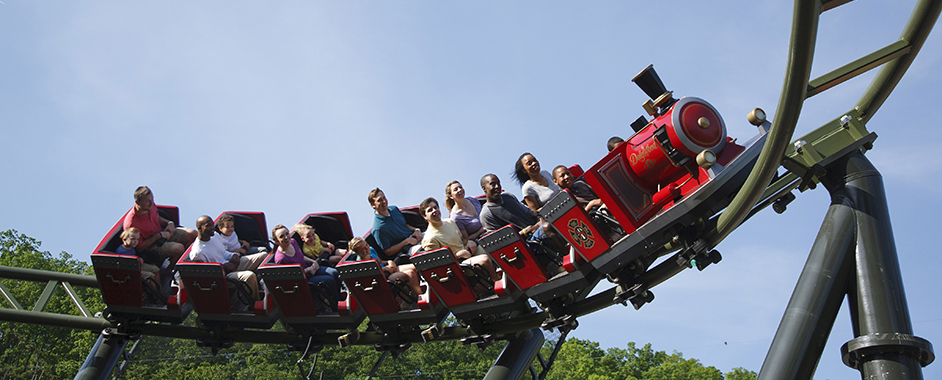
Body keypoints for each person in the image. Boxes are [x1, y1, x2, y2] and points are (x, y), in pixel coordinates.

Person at [188, 216, 268, 302]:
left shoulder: (215, 235)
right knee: (249, 276)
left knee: (263, 256)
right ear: (200, 228)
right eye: (208, 226)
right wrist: (224, 267)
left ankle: (263, 286)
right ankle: (256, 302)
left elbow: (224, 253)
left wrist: (234, 256)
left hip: (232, 264)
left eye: (212, 225)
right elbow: (207, 275)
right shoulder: (198, 252)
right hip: (224, 277)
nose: (212, 228)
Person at [419, 197, 501, 281]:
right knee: (485, 260)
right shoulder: (430, 238)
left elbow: (462, 240)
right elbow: (438, 265)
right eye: (430, 210)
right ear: (425, 216)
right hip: (459, 265)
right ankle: (497, 281)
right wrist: (458, 255)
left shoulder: (449, 222)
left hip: (468, 253)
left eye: (435, 207)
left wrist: (469, 242)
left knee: (492, 242)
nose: (434, 211)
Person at [122, 186, 197, 269]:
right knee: (178, 248)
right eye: (147, 201)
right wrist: (158, 236)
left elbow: (156, 217)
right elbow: (140, 247)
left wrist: (169, 223)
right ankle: (170, 273)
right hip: (151, 245)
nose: (151, 203)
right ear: (137, 202)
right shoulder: (132, 223)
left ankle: (182, 264)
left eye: (152, 199)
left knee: (193, 234)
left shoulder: (149, 206)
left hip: (163, 233)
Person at [272, 224, 340, 310]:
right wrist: (308, 270)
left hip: (310, 269)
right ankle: (335, 306)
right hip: (304, 280)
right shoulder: (281, 259)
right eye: (282, 236)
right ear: (277, 241)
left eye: (286, 234)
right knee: (329, 280)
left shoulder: (292, 242)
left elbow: (301, 257)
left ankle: (338, 298)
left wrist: (313, 262)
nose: (286, 237)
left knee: (334, 273)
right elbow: (293, 277)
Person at [348, 237, 423, 296]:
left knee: (415, 266)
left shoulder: (371, 250)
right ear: (357, 252)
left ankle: (419, 287)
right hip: (385, 278)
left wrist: (389, 262)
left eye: (366, 245)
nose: (367, 248)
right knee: (410, 273)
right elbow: (374, 277)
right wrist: (383, 269)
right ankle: (420, 296)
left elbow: (380, 261)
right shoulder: (362, 264)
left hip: (389, 269)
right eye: (363, 249)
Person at [368, 188, 423, 260]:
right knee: (426, 250)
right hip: (406, 250)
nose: (384, 201)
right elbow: (388, 251)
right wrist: (406, 242)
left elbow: (404, 224)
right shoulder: (378, 229)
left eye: (384, 198)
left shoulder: (394, 209)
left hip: (415, 238)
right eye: (379, 200)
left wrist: (416, 230)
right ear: (373, 204)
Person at [116, 227, 161, 291]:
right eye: (133, 239)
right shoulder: (121, 252)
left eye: (137, 239)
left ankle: (161, 291)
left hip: (138, 266)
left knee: (156, 269)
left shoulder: (131, 248)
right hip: (131, 270)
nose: (135, 242)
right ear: (124, 239)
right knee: (150, 276)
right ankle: (156, 297)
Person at [444, 180, 486, 245]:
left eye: (460, 187)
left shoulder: (472, 200)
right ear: (451, 196)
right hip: (479, 242)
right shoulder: (456, 217)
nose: (459, 190)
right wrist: (480, 231)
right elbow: (466, 240)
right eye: (455, 189)